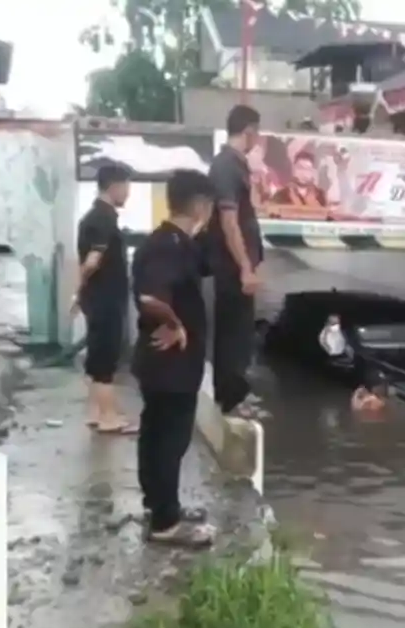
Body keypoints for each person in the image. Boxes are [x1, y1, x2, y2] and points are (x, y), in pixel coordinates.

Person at [130, 169, 218, 546]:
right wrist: (176, 323)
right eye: (210, 206)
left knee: (155, 435)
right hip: (171, 364)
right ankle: (166, 524)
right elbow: (151, 298)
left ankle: (160, 505)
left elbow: (208, 263)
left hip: (164, 366)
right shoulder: (167, 245)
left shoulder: (180, 242)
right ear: (199, 204)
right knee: (169, 439)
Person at [209, 104, 265, 415]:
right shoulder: (226, 166)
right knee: (231, 333)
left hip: (241, 264)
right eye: (256, 132)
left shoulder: (236, 165)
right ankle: (230, 398)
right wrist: (244, 267)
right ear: (249, 131)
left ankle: (238, 391)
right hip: (231, 266)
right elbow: (229, 221)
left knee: (241, 331)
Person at [74, 164, 136, 434]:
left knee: (96, 355)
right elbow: (91, 261)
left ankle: (96, 412)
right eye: (126, 186)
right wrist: (80, 288)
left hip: (97, 297)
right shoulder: (104, 219)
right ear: (114, 186)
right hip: (105, 298)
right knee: (105, 359)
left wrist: (81, 293)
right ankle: (109, 417)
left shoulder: (91, 216)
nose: (128, 193)